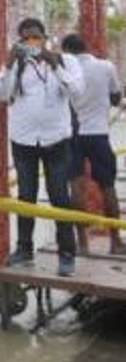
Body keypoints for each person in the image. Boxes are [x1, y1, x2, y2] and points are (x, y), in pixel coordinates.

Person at [0, 17, 85, 277]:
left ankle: (67, 254)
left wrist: (54, 64)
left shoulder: (67, 61)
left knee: (59, 196)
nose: (32, 42)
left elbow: (77, 92)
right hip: (24, 140)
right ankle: (24, 249)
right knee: (25, 196)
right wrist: (9, 64)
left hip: (57, 140)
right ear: (20, 41)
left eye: (35, 37)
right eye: (26, 39)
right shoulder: (16, 64)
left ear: (45, 37)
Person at [60, 32, 126, 255]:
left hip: (72, 134)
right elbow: (116, 98)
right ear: (85, 47)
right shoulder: (106, 67)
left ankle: (82, 244)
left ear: (67, 51)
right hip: (98, 134)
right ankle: (116, 241)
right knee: (108, 186)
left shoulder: (64, 69)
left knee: (76, 187)